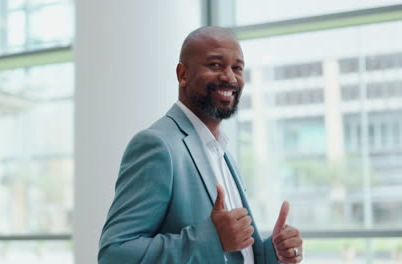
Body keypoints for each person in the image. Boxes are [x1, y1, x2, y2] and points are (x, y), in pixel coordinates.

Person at [98, 26, 303, 264]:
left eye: (237, 68)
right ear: (182, 74)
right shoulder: (157, 145)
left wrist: (275, 252)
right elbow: (114, 253)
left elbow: (235, 254)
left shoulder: (223, 154)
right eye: (215, 65)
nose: (229, 77)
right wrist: (211, 239)